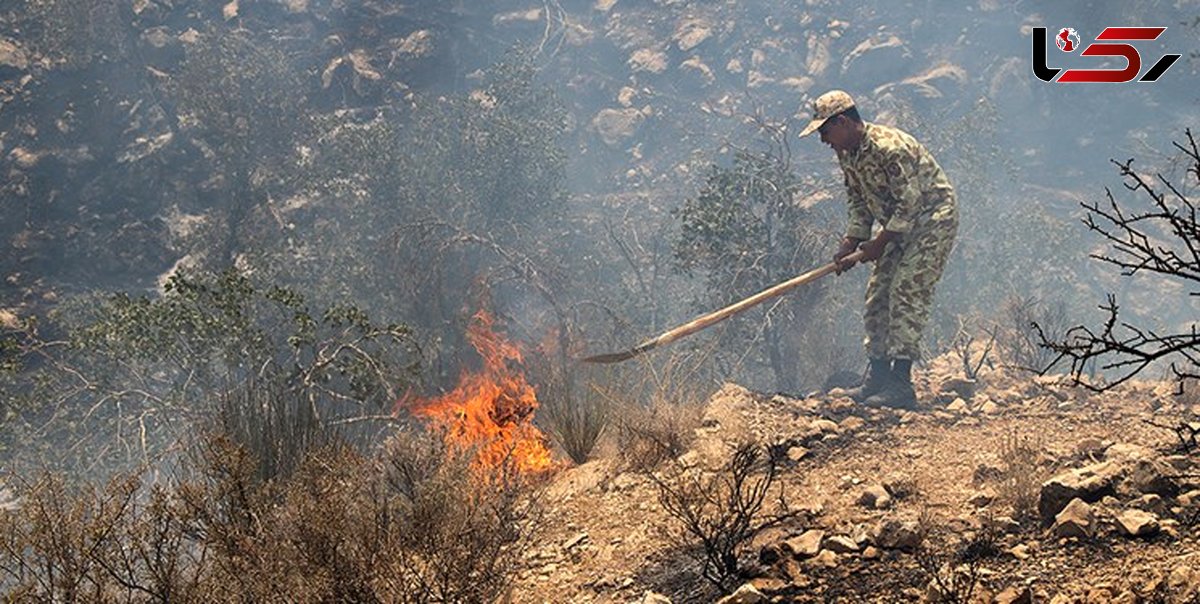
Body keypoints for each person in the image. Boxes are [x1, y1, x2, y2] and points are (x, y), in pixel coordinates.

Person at [798, 90, 958, 409]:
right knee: (877, 295)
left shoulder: (889, 148)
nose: (823, 140)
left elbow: (910, 204)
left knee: (906, 291)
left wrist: (877, 245)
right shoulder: (848, 152)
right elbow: (858, 200)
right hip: (894, 226)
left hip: (930, 222)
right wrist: (851, 242)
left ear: (842, 122)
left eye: (824, 131)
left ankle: (901, 385)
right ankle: (879, 377)